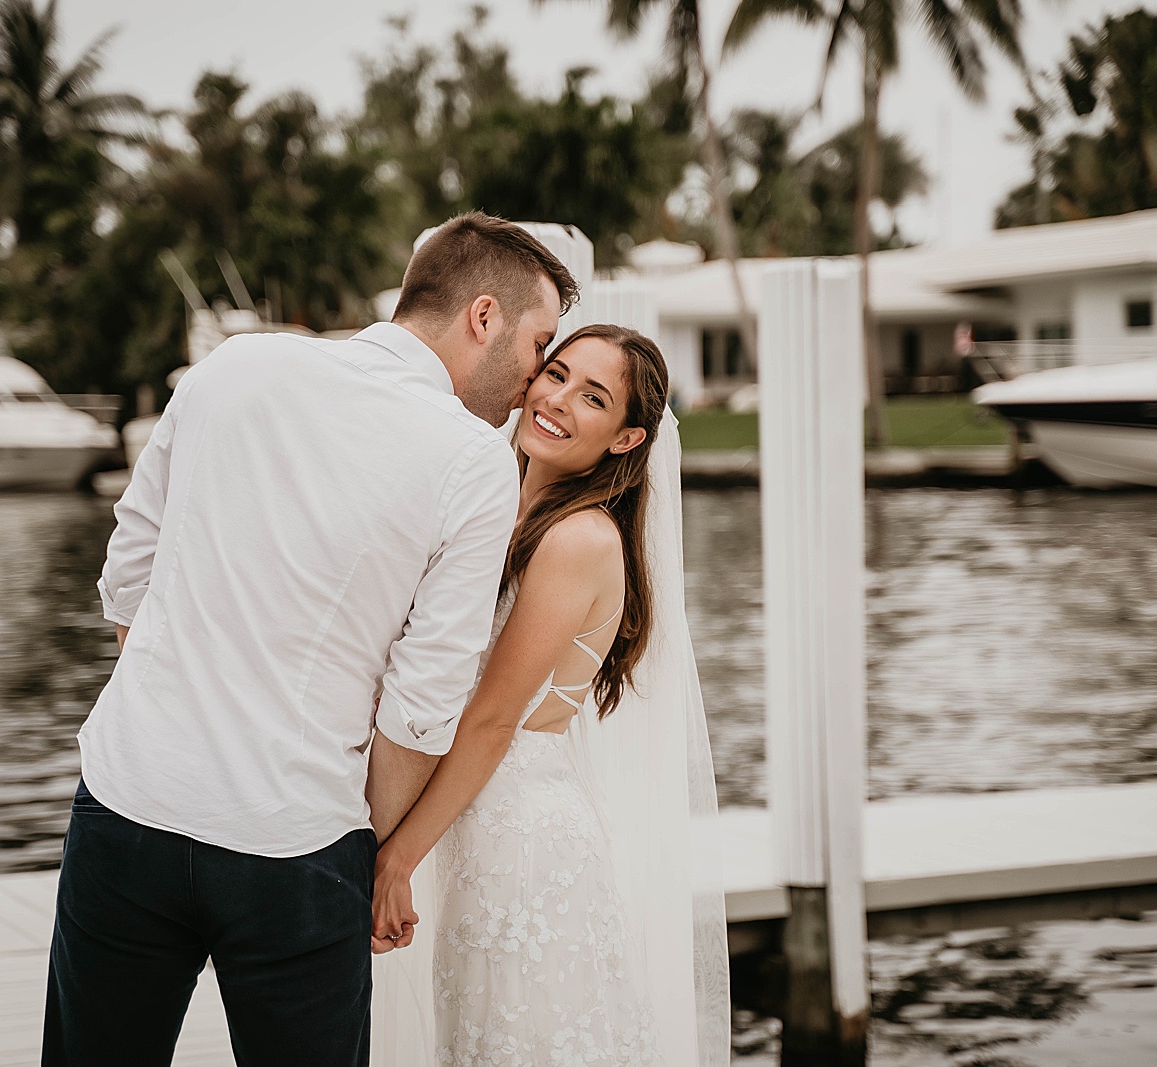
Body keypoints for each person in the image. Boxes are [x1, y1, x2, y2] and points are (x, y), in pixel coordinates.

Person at [41, 212, 578, 1067]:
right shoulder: (471, 459)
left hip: (128, 803)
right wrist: (363, 851)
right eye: (539, 341)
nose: (536, 376)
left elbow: (127, 573)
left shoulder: (237, 364)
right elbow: (421, 708)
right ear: (484, 316)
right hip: (295, 843)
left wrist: (179, 719)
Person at [368, 325, 731, 1066]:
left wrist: (395, 858)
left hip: (521, 841)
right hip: (472, 825)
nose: (556, 400)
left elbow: (494, 717)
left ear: (627, 438)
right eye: (556, 373)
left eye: (592, 396)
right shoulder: (499, 509)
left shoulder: (579, 539)